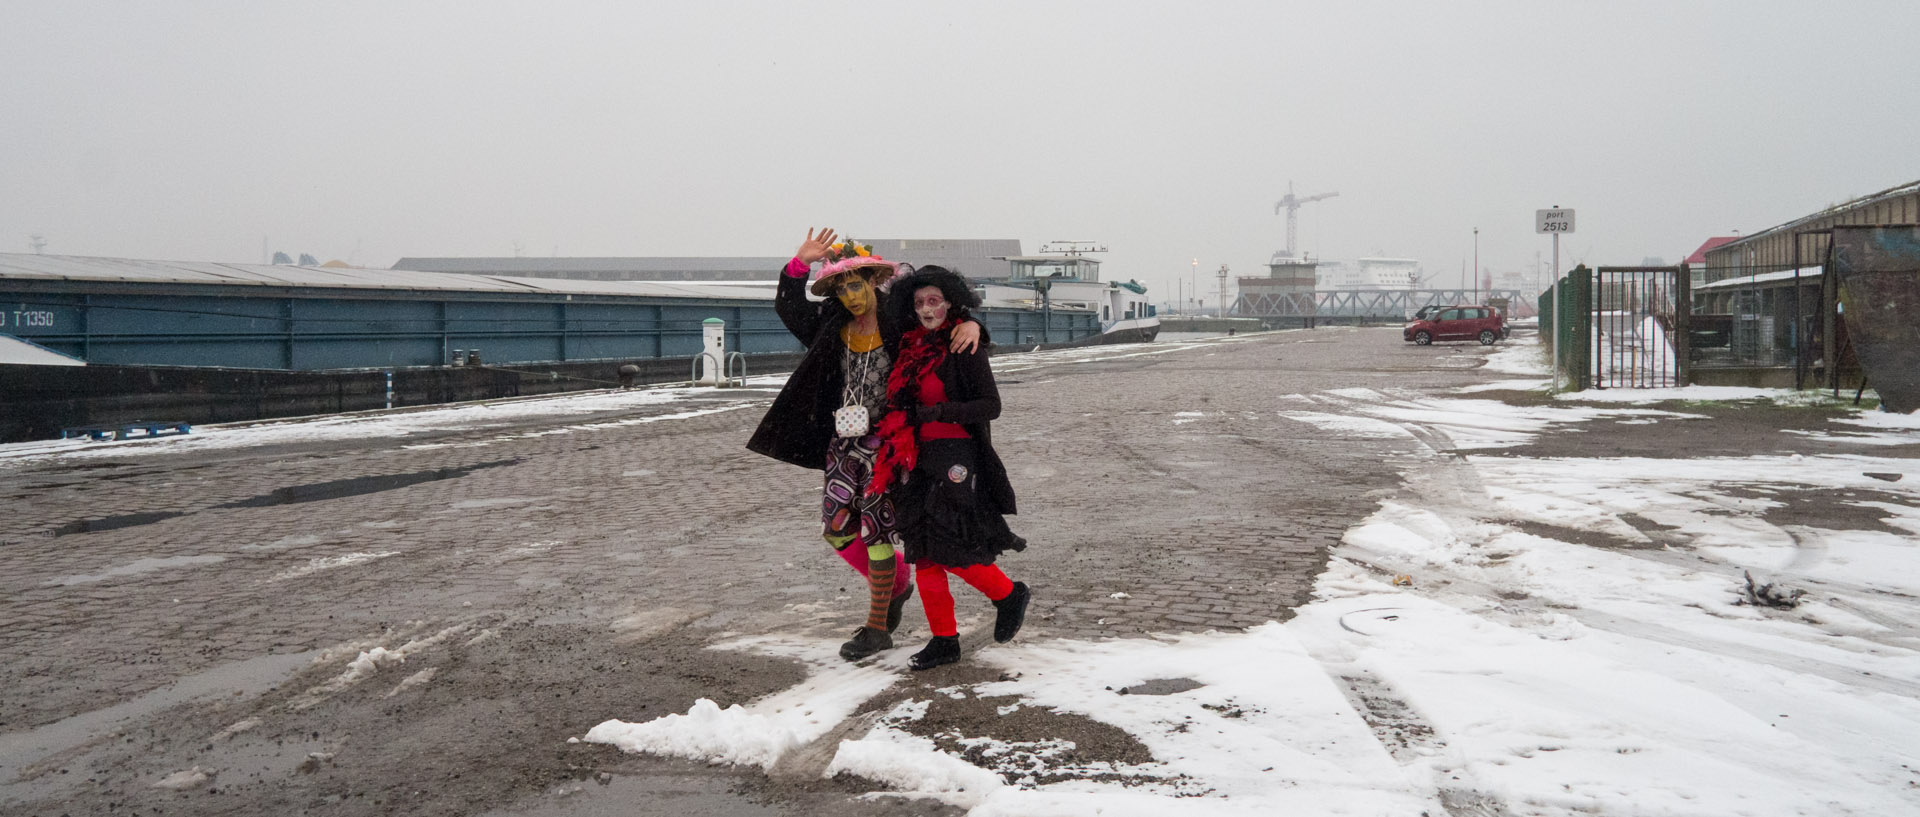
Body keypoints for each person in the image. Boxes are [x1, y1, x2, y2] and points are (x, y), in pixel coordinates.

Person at [746, 229, 980, 661]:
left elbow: (940, 317)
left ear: (872, 281)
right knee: (836, 530)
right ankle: (897, 585)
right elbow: (789, 306)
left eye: (856, 285)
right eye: (842, 288)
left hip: (888, 443)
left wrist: (971, 321)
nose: (851, 296)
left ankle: (877, 628)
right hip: (842, 442)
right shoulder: (831, 323)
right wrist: (797, 265)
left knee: (876, 533)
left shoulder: (900, 318)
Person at [868, 265, 1031, 671]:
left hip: (956, 455)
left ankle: (1008, 594)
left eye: (935, 300)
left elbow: (991, 406)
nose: (927, 309)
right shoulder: (908, 346)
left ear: (950, 302)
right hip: (917, 456)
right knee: (922, 551)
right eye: (920, 301)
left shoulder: (964, 345)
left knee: (950, 545)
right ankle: (944, 640)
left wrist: (937, 411)